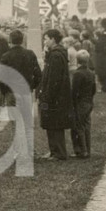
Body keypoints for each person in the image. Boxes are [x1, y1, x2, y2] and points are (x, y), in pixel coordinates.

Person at [0, 28, 42, 162]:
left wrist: (5, 92)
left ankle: (18, 153)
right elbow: (39, 75)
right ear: (22, 40)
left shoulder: (5, 56)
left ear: (10, 41)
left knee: (15, 124)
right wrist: (31, 86)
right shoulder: (30, 54)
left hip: (11, 93)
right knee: (28, 124)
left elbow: (1, 78)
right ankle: (30, 152)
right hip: (25, 92)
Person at [39, 28, 73, 161]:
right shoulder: (55, 53)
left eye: (46, 38)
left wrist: (48, 95)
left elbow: (54, 78)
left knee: (55, 124)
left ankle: (59, 152)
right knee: (51, 123)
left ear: (53, 39)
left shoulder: (56, 55)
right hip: (57, 96)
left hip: (55, 96)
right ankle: (54, 151)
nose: (44, 41)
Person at [70, 50, 96, 159]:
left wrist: (73, 102)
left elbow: (74, 91)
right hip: (89, 102)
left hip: (80, 103)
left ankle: (82, 151)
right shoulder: (91, 73)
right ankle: (87, 150)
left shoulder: (77, 74)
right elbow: (94, 89)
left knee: (78, 126)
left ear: (77, 60)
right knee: (86, 126)